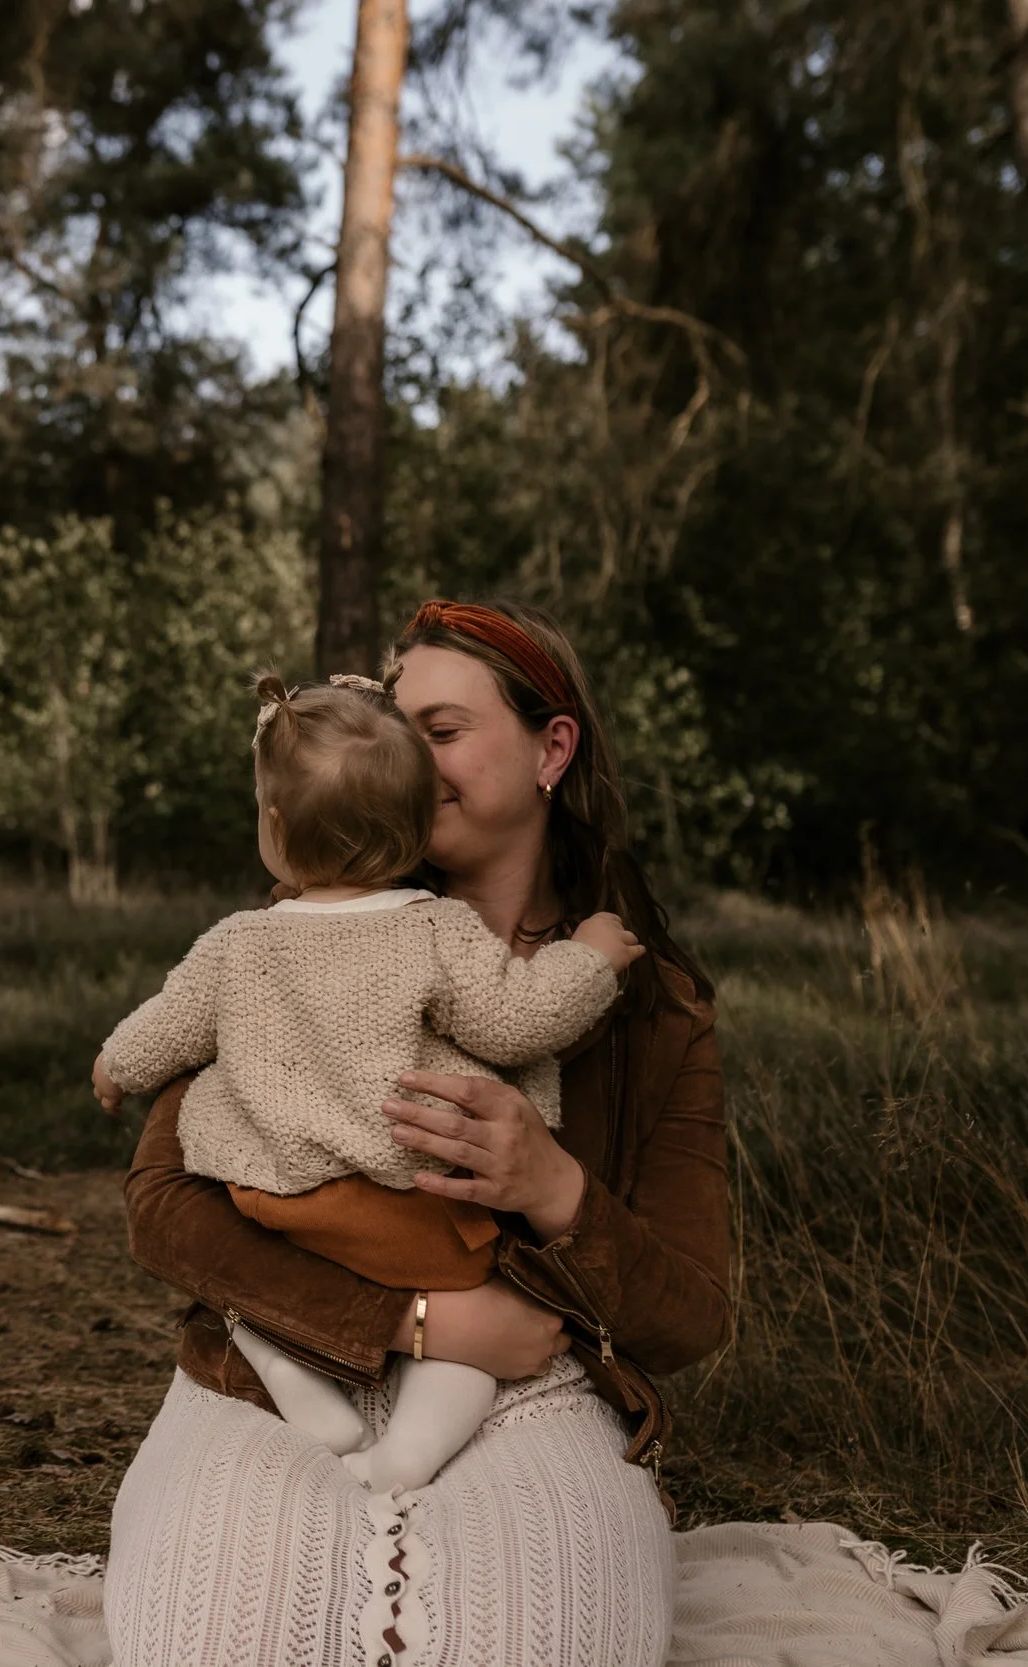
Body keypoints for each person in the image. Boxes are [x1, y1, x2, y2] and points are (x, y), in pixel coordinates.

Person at [103, 599, 731, 1667]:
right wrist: (411, 1318)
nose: (403, 755)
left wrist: (554, 1187)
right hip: (275, 1352)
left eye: (439, 731)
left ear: (552, 749)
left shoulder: (648, 1006)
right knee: (212, 1635)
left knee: (543, 1639)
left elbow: (687, 1314)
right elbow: (164, 1209)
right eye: (394, 729)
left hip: (532, 1376)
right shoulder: (294, 933)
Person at [92, 671, 642, 1495]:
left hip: (275, 1206)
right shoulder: (436, 929)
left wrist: (112, 1066)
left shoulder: (238, 941)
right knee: (471, 1326)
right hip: (408, 1215)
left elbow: (166, 1027)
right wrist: (592, 958)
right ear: (417, 827)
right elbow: (518, 1019)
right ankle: (407, 1454)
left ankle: (285, 1361)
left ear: (276, 827)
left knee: (253, 1293)